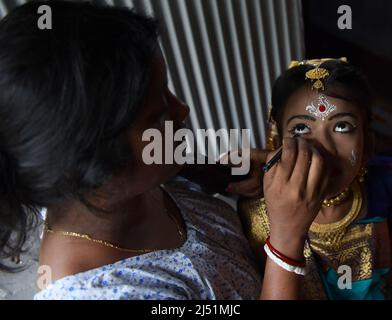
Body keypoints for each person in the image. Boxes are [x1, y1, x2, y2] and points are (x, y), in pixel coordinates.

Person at [0, 1, 265, 299]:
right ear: (94, 163)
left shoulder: (129, 186)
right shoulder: (102, 293)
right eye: (159, 114)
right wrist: (285, 247)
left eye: (167, 91)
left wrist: (224, 173)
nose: (182, 109)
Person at [239, 58, 392, 299]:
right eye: (301, 129)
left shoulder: (383, 187)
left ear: (368, 145)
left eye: (342, 126)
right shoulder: (258, 218)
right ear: (276, 144)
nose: (323, 150)